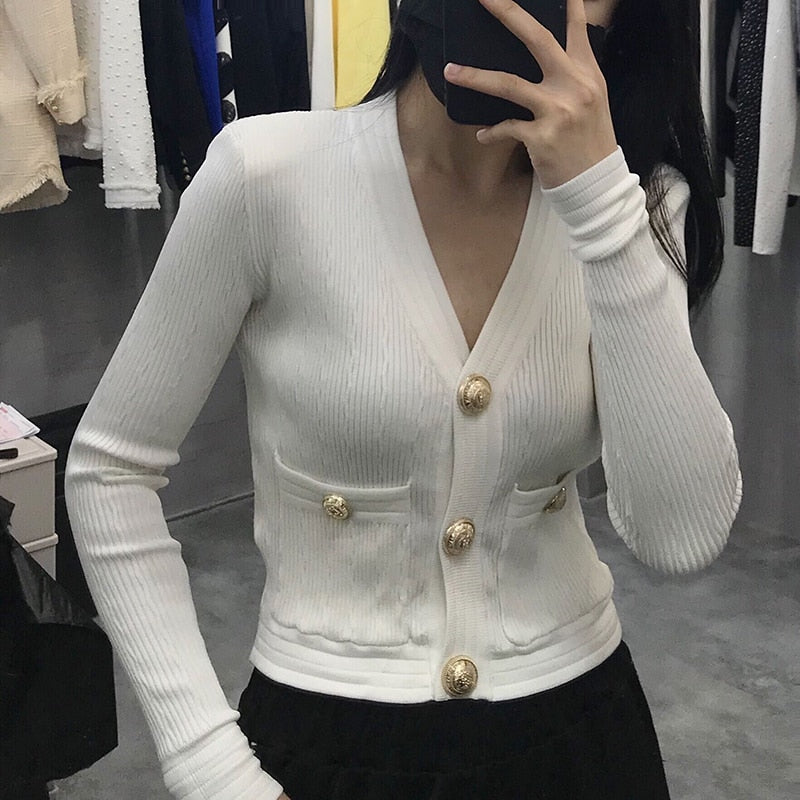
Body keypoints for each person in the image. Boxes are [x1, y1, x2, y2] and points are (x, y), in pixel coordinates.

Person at [64, 0, 742, 798]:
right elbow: (110, 470)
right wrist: (206, 764)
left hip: (582, 736)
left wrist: (601, 203)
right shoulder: (268, 174)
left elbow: (679, 535)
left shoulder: (633, 202)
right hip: (323, 738)